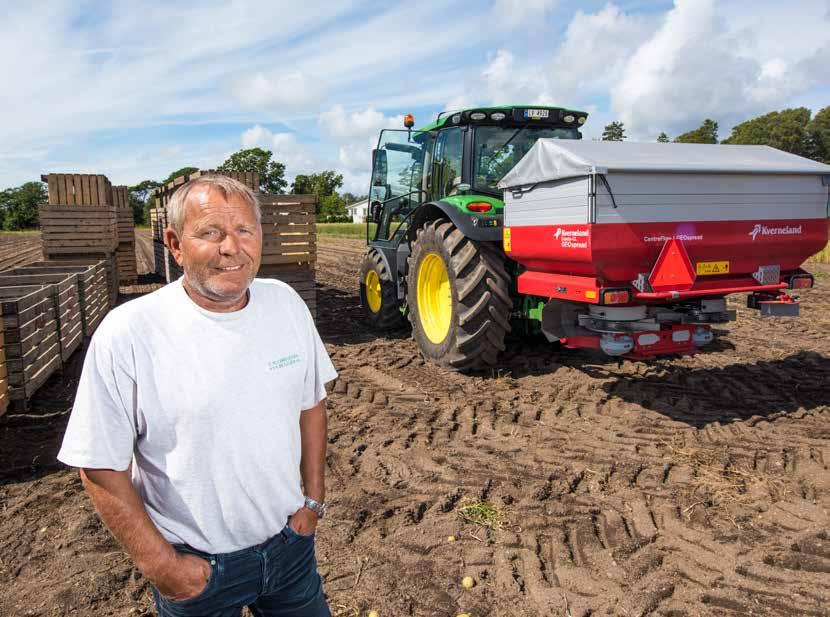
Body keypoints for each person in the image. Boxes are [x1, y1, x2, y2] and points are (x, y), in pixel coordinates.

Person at [57, 174, 337, 617]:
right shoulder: (130, 333)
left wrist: (313, 503)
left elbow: (311, 405)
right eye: (211, 232)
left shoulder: (285, 303)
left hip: (289, 549)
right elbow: (99, 464)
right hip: (198, 570)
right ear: (174, 243)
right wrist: (163, 567)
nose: (232, 247)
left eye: (245, 230)